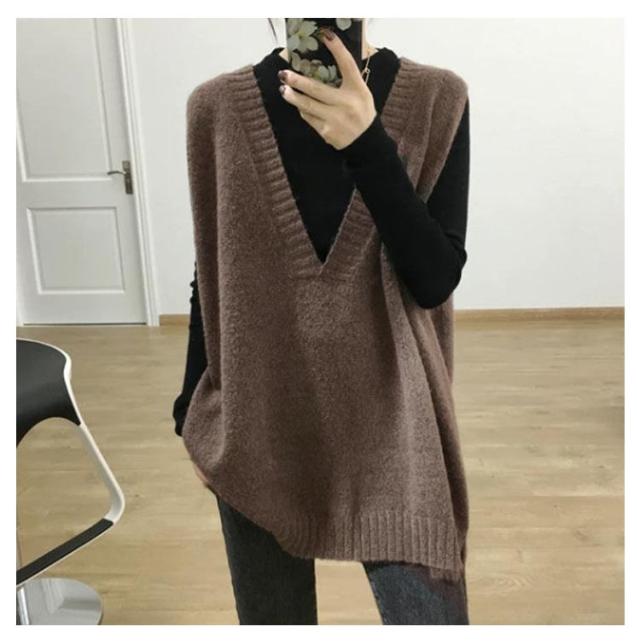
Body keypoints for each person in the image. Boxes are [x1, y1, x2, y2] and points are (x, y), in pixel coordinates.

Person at [173, 18, 471, 625]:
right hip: (260, 422)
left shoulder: (438, 97)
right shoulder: (216, 108)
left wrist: (367, 144)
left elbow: (434, 279)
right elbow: (213, 269)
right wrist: (189, 413)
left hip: (396, 430)